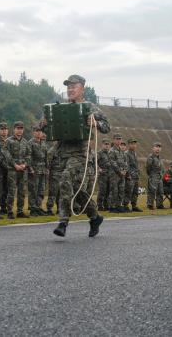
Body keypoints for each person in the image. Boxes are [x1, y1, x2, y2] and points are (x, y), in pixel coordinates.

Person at [41, 74, 109, 237]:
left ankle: (63, 222)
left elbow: (107, 127)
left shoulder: (89, 107)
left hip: (80, 155)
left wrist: (95, 123)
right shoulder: (59, 110)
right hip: (62, 154)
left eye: (74, 86)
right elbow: (45, 128)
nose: (70, 89)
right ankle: (95, 217)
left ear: (82, 89)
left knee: (65, 180)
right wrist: (44, 125)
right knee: (78, 192)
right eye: (68, 87)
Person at [6, 121, 30, 219]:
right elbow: (7, 155)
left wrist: (25, 164)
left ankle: (20, 211)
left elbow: (29, 155)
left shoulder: (25, 142)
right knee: (11, 191)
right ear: (14, 129)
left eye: (21, 128)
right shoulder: (9, 141)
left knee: (22, 192)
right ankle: (10, 211)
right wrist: (15, 165)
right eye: (17, 128)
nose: (19, 130)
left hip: (23, 170)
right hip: (13, 169)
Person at [27, 126, 48, 216]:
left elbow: (46, 157)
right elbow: (28, 157)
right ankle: (33, 209)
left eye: (40, 131)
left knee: (41, 190)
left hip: (42, 170)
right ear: (33, 132)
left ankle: (38, 207)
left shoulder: (43, 143)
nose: (39, 133)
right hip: (34, 170)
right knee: (33, 190)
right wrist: (30, 168)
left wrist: (47, 168)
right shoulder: (30, 143)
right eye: (37, 131)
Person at [108, 133, 127, 213]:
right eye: (117, 139)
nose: (119, 141)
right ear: (114, 140)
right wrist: (120, 171)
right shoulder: (112, 151)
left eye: (120, 139)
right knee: (114, 190)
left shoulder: (121, 151)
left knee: (121, 190)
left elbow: (125, 161)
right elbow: (113, 162)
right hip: (114, 174)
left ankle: (119, 205)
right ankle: (112, 207)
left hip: (122, 174)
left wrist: (125, 170)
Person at [124, 138, 141, 212]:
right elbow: (126, 165)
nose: (133, 145)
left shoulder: (134, 153)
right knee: (128, 191)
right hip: (130, 176)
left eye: (134, 144)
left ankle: (134, 206)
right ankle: (125, 205)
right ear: (129, 144)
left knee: (135, 192)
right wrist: (128, 175)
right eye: (132, 144)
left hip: (136, 176)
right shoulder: (126, 153)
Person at [145, 142, 164, 209]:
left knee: (160, 192)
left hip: (159, 177)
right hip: (153, 176)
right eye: (156, 147)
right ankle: (150, 204)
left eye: (159, 147)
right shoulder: (151, 157)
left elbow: (161, 168)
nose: (158, 149)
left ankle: (159, 204)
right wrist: (151, 175)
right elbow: (148, 168)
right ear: (153, 148)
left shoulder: (159, 158)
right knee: (152, 191)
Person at [0, 122, 10, 214]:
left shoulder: (10, 141)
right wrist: (5, 164)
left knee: (7, 188)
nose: (4, 131)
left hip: (9, 169)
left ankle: (4, 206)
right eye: (2, 129)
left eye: (5, 129)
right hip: (0, 168)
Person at [96, 139, 112, 211]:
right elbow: (94, 162)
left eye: (108, 144)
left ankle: (106, 205)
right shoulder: (99, 153)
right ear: (102, 145)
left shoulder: (110, 153)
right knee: (102, 190)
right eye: (105, 144)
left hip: (109, 174)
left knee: (108, 191)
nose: (107, 146)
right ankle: (99, 205)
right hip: (102, 175)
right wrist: (98, 168)